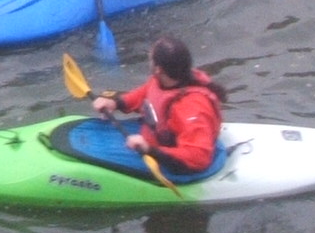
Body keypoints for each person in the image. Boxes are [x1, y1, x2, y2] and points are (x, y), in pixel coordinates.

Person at [93, 36, 227, 176]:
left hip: (177, 163)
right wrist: (115, 103)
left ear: (158, 69)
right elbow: (145, 94)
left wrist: (150, 150)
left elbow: (197, 157)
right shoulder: (165, 81)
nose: (148, 59)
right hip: (155, 141)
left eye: (150, 58)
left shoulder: (191, 107)